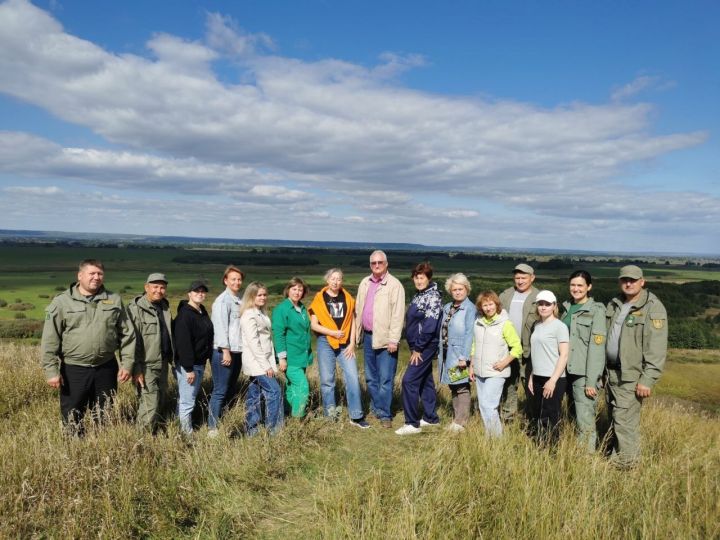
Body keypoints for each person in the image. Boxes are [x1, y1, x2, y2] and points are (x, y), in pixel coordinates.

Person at [40, 259, 136, 436]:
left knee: (104, 411)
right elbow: (49, 339)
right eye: (92, 273)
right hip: (74, 369)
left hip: (106, 367)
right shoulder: (62, 302)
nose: (96, 277)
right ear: (80, 275)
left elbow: (127, 334)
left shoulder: (113, 300)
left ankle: (100, 445)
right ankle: (74, 449)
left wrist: (127, 363)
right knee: (72, 413)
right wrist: (51, 370)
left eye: (100, 274)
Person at [605, 265, 667, 467]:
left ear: (643, 281)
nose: (628, 283)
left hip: (631, 376)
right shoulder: (614, 304)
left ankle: (627, 466)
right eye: (624, 280)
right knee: (614, 418)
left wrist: (647, 379)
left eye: (633, 280)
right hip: (610, 372)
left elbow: (656, 349)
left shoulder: (652, 308)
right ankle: (616, 458)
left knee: (624, 421)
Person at [309, 268, 369, 428]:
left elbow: (353, 321)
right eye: (333, 278)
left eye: (339, 279)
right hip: (325, 342)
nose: (336, 282)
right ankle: (330, 417)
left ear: (342, 281)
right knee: (328, 381)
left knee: (353, 378)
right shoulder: (319, 299)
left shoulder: (348, 298)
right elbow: (314, 324)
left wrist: (352, 343)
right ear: (327, 280)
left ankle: (356, 416)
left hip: (345, 345)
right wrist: (332, 333)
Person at [355, 250, 405, 429]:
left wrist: (394, 340)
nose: (376, 265)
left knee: (385, 378)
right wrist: (356, 335)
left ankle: (384, 414)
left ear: (386, 264)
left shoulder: (394, 285)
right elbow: (359, 309)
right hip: (368, 336)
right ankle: (377, 407)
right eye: (373, 263)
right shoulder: (364, 283)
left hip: (386, 339)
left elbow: (398, 315)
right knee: (370, 377)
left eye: (380, 262)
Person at [561, 270, 606, 452]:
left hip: (583, 373)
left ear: (589, 287)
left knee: (585, 418)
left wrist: (591, 380)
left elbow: (597, 349)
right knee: (571, 414)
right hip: (564, 370)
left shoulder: (596, 311)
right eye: (573, 285)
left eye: (580, 285)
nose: (576, 289)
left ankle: (586, 459)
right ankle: (573, 449)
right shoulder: (564, 308)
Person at [395, 263, 442, 435]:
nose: (419, 280)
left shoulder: (433, 297)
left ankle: (412, 423)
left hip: (425, 346)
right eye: (416, 277)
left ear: (429, 278)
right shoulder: (419, 295)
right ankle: (431, 418)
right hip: (418, 345)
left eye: (422, 277)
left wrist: (418, 349)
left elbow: (430, 326)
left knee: (409, 380)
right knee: (425, 380)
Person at [470, 291, 522, 437]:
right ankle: (490, 435)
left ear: (496, 304)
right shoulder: (478, 322)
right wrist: (472, 366)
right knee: (483, 405)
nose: (488, 308)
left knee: (489, 405)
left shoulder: (505, 323)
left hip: (496, 372)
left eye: (490, 304)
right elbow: (474, 345)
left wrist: (504, 363)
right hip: (480, 371)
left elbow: (517, 347)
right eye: (484, 305)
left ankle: (497, 439)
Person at [126, 273, 174, 432]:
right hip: (145, 365)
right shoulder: (135, 309)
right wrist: (136, 368)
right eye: (155, 287)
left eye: (162, 287)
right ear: (146, 287)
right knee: (149, 403)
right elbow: (131, 341)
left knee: (160, 400)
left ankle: (155, 433)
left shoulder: (165, 307)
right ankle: (141, 441)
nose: (159, 290)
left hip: (162, 362)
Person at [240, 282, 283, 435]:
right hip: (258, 363)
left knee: (254, 395)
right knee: (275, 391)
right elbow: (254, 344)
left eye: (265, 295)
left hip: (262, 361)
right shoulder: (249, 315)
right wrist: (267, 366)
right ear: (251, 296)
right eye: (259, 295)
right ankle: (274, 430)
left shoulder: (260, 312)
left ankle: (252, 430)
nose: (263, 297)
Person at [498, 263, 540, 421]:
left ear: (532, 278)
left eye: (524, 277)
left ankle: (531, 418)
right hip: (507, 350)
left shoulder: (540, 297)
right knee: (508, 383)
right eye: (517, 278)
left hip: (528, 351)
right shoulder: (506, 295)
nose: (520, 281)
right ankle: (508, 416)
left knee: (530, 385)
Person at [527, 290, 569, 444]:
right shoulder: (537, 325)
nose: (543, 307)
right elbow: (536, 352)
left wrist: (552, 380)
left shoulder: (560, 326)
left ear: (554, 306)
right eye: (540, 304)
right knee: (538, 413)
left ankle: (551, 448)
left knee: (550, 415)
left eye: (547, 304)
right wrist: (532, 375)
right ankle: (540, 445)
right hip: (537, 376)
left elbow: (563, 355)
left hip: (553, 377)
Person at [172, 280, 214, 435]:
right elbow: (184, 344)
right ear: (189, 293)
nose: (200, 294)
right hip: (189, 366)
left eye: (203, 291)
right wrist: (188, 368)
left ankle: (178, 427)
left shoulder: (202, 311)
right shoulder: (185, 315)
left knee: (184, 399)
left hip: (199, 363)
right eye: (196, 291)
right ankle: (187, 435)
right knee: (187, 402)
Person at [437, 273, 477, 433]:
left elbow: (469, 333)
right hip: (448, 353)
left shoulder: (470, 308)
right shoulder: (448, 307)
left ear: (466, 289)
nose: (458, 292)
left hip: (459, 353)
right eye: (454, 290)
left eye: (460, 289)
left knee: (461, 387)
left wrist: (464, 357)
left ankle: (461, 422)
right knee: (453, 386)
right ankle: (456, 419)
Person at [208, 265, 245, 436]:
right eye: (233, 279)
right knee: (220, 390)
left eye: (239, 279)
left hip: (237, 351)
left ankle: (225, 420)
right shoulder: (222, 301)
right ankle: (212, 427)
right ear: (225, 281)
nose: (237, 282)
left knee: (230, 388)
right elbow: (220, 327)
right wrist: (226, 351)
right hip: (224, 352)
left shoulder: (239, 299)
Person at [272, 277, 313, 418]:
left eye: (300, 289)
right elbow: (279, 334)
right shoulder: (282, 309)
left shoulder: (301, 308)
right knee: (303, 388)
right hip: (290, 358)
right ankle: (298, 419)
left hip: (302, 356)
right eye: (294, 289)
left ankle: (286, 415)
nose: (297, 292)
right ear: (288, 290)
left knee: (292, 388)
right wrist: (281, 358)